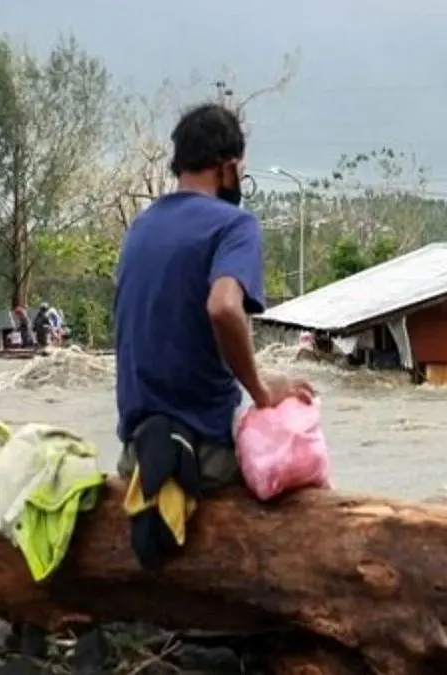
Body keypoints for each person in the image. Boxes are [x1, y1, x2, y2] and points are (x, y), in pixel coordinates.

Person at [113, 102, 314, 493]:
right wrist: (261, 391)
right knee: (296, 463)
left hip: (136, 455)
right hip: (204, 457)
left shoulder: (140, 227)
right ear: (226, 166)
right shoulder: (235, 226)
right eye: (241, 168)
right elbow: (223, 307)